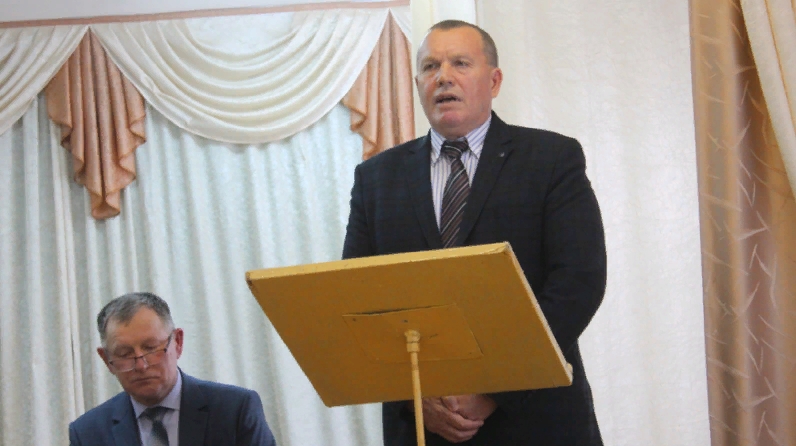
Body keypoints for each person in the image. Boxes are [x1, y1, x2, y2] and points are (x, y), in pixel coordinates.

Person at [342, 19, 606, 445]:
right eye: (430, 67)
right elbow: (358, 299)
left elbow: (578, 283)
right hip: (423, 424)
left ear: (494, 81)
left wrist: (493, 390)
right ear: (418, 83)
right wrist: (415, 398)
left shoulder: (551, 159)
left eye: (460, 63)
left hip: (536, 419)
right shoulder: (376, 178)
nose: (443, 77)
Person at [68, 292, 277, 446]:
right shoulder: (88, 433)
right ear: (107, 360)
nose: (141, 365)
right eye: (124, 354)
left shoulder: (234, 410)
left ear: (177, 342)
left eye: (151, 348)